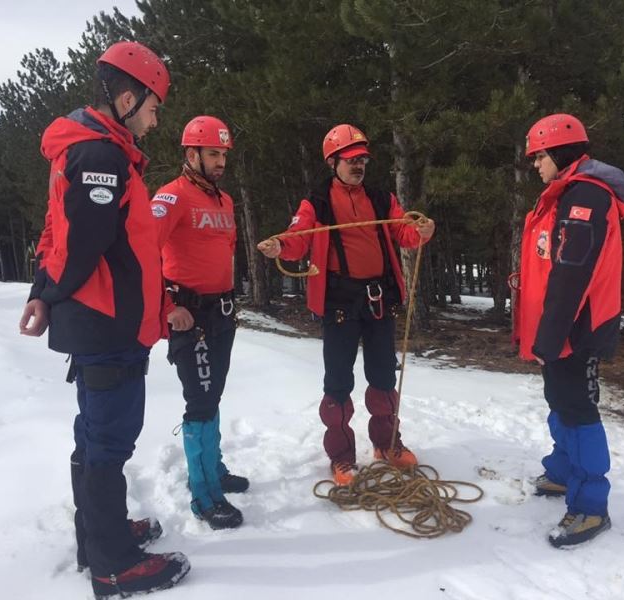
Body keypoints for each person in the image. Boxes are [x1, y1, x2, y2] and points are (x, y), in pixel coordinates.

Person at [18, 41, 192, 598]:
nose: (156, 116)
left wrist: (42, 292)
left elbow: (55, 233)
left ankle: (99, 536)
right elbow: (78, 246)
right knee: (107, 444)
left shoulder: (97, 149)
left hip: (105, 323)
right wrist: (50, 291)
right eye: (153, 105)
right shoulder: (101, 156)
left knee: (94, 436)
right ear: (126, 98)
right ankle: (113, 565)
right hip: (107, 326)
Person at [257, 124, 435, 486]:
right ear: (333, 161)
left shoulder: (381, 198)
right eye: (352, 160)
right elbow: (299, 236)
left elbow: (403, 232)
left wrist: (421, 232)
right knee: (338, 382)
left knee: (384, 376)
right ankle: (341, 456)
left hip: (377, 299)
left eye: (363, 159)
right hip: (339, 301)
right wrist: (280, 247)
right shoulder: (318, 201)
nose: (359, 166)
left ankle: (386, 444)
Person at [515, 113, 624, 548]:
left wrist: (550, 336)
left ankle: (590, 507)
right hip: (559, 323)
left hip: (578, 327)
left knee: (579, 410)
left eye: (539, 155)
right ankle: (564, 473)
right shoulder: (566, 193)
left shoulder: (586, 197)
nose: (535, 164)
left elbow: (572, 275)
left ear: (559, 153)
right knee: (559, 399)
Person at [150, 115, 247, 530]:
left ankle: (216, 467)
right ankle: (204, 494)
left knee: (213, 394)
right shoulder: (171, 197)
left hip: (221, 313)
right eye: (213, 153)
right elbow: (141, 253)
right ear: (192, 154)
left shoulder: (224, 201)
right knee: (201, 401)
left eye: (223, 154)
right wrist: (168, 304)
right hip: (191, 318)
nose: (220, 161)